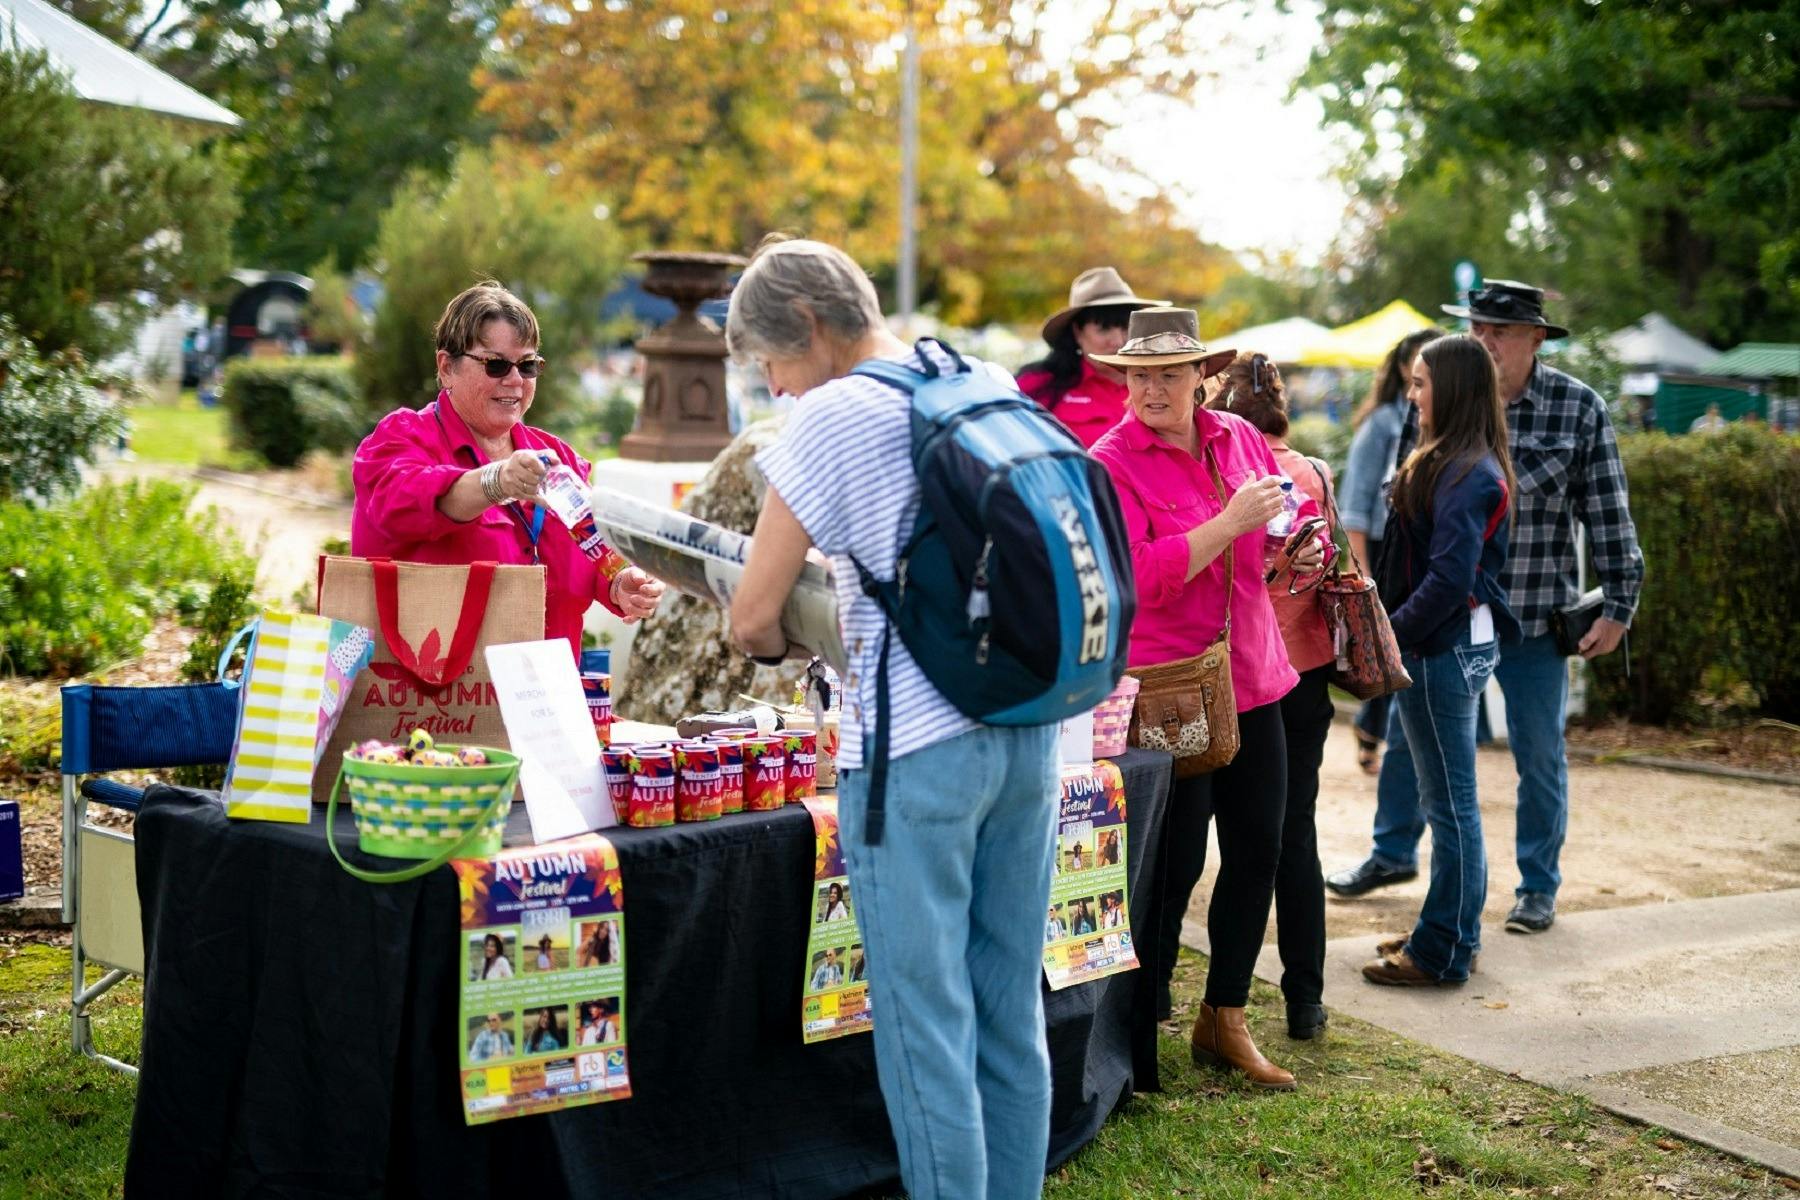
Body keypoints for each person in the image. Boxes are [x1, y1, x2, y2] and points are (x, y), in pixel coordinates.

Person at [728, 236, 1064, 1200]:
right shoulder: (974, 372)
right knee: (1007, 1009)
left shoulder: (831, 417)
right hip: (1026, 727)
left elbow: (754, 613)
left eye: (772, 363)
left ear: (809, 328)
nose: (778, 387)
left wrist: (775, 636)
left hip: (915, 754)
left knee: (926, 1030)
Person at [1327, 282, 1643, 936]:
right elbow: (1401, 514)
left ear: (1536, 339)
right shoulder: (1435, 400)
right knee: (1418, 744)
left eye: (1500, 331)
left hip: (1531, 618)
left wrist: (1618, 606)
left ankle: (1536, 887)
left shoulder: (1577, 408)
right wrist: (1384, 614)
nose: (1484, 341)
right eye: (1477, 328)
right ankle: (1391, 854)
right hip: (1443, 622)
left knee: (1538, 753)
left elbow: (1610, 518)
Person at [1089, 307, 1326, 1091]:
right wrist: (1227, 525)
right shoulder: (1111, 459)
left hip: (1256, 674)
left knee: (1260, 846)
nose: (1151, 389)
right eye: (1138, 375)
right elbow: (1132, 576)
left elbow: (1263, 536)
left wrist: (1292, 542)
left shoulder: (1238, 436)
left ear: (1202, 376)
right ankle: (1137, 1026)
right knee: (1173, 860)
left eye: (1167, 373)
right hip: (1168, 686)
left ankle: (1223, 1017)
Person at [351, 282, 666, 658]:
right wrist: (496, 482)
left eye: (528, 365)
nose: (515, 380)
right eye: (496, 364)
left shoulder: (558, 457)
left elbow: (590, 557)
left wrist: (617, 586)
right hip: (434, 700)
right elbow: (405, 503)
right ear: (446, 367)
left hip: (542, 698)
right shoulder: (401, 439)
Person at [1361, 334, 1521, 984]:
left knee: (1450, 806)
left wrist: (1386, 638)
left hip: (1439, 650)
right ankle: (1447, 931)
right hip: (1447, 646)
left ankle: (1441, 951)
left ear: (1450, 389)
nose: (1411, 393)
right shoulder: (1457, 462)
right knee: (1448, 803)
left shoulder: (1467, 471)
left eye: (1422, 383)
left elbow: (1449, 580)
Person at [1208, 351, 1334, 1041]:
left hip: (1236, 672)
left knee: (1218, 839)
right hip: (1303, 672)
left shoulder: (1226, 470)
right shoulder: (1310, 472)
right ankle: (1304, 999)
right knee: (1295, 836)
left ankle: (1188, 994)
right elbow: (1331, 561)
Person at [1338, 328, 1441, 775]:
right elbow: (1355, 505)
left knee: (1398, 644)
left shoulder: (1440, 421)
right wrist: (1359, 569)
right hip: (1382, 547)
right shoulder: (1383, 422)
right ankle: (1372, 725)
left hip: (1419, 545)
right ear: (1404, 367)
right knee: (1384, 643)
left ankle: (1373, 725)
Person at [1016, 267, 1163, 447]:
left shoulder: (1164, 384)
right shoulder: (1038, 385)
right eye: (1104, 329)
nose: (1117, 341)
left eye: (1126, 328)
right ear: (1077, 331)